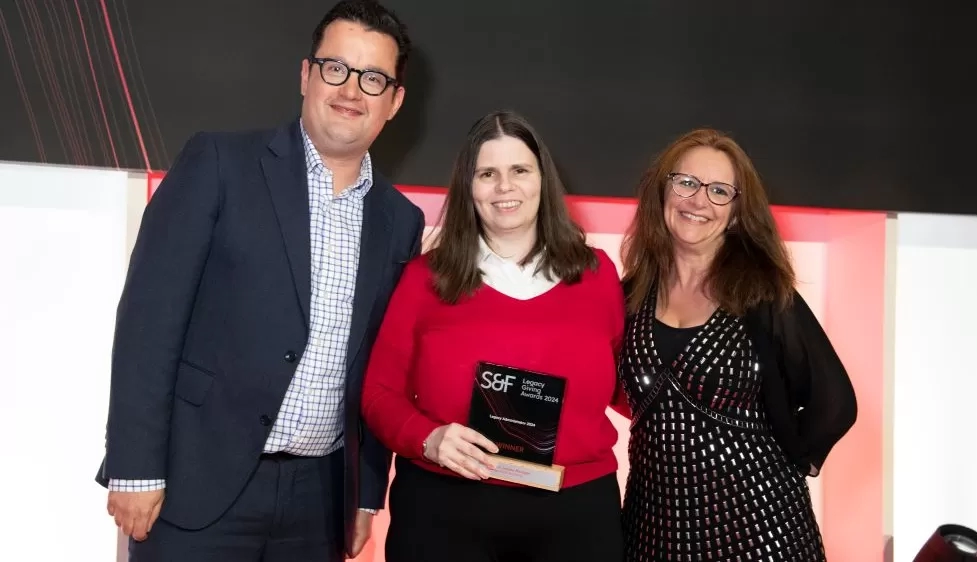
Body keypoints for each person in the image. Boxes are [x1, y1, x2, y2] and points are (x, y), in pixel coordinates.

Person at [95, 1, 424, 560]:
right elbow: (149, 321)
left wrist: (366, 496)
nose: (351, 90)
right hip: (196, 484)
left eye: (373, 79)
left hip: (319, 502)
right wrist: (134, 468)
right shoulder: (219, 163)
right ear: (306, 75)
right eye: (335, 68)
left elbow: (380, 372)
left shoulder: (401, 221)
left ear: (394, 101)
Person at [361, 110, 627, 562]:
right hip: (444, 511)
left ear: (543, 180)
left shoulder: (597, 276)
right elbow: (378, 393)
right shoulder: (426, 278)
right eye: (488, 173)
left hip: (576, 514)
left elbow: (630, 387)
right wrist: (427, 438)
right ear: (469, 187)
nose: (505, 187)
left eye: (519, 170)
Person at [617, 128, 858, 561]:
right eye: (686, 183)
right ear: (663, 191)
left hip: (759, 525)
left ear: (736, 211)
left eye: (719, 191)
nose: (699, 201)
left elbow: (835, 401)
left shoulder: (762, 294)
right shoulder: (629, 294)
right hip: (654, 528)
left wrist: (790, 459)